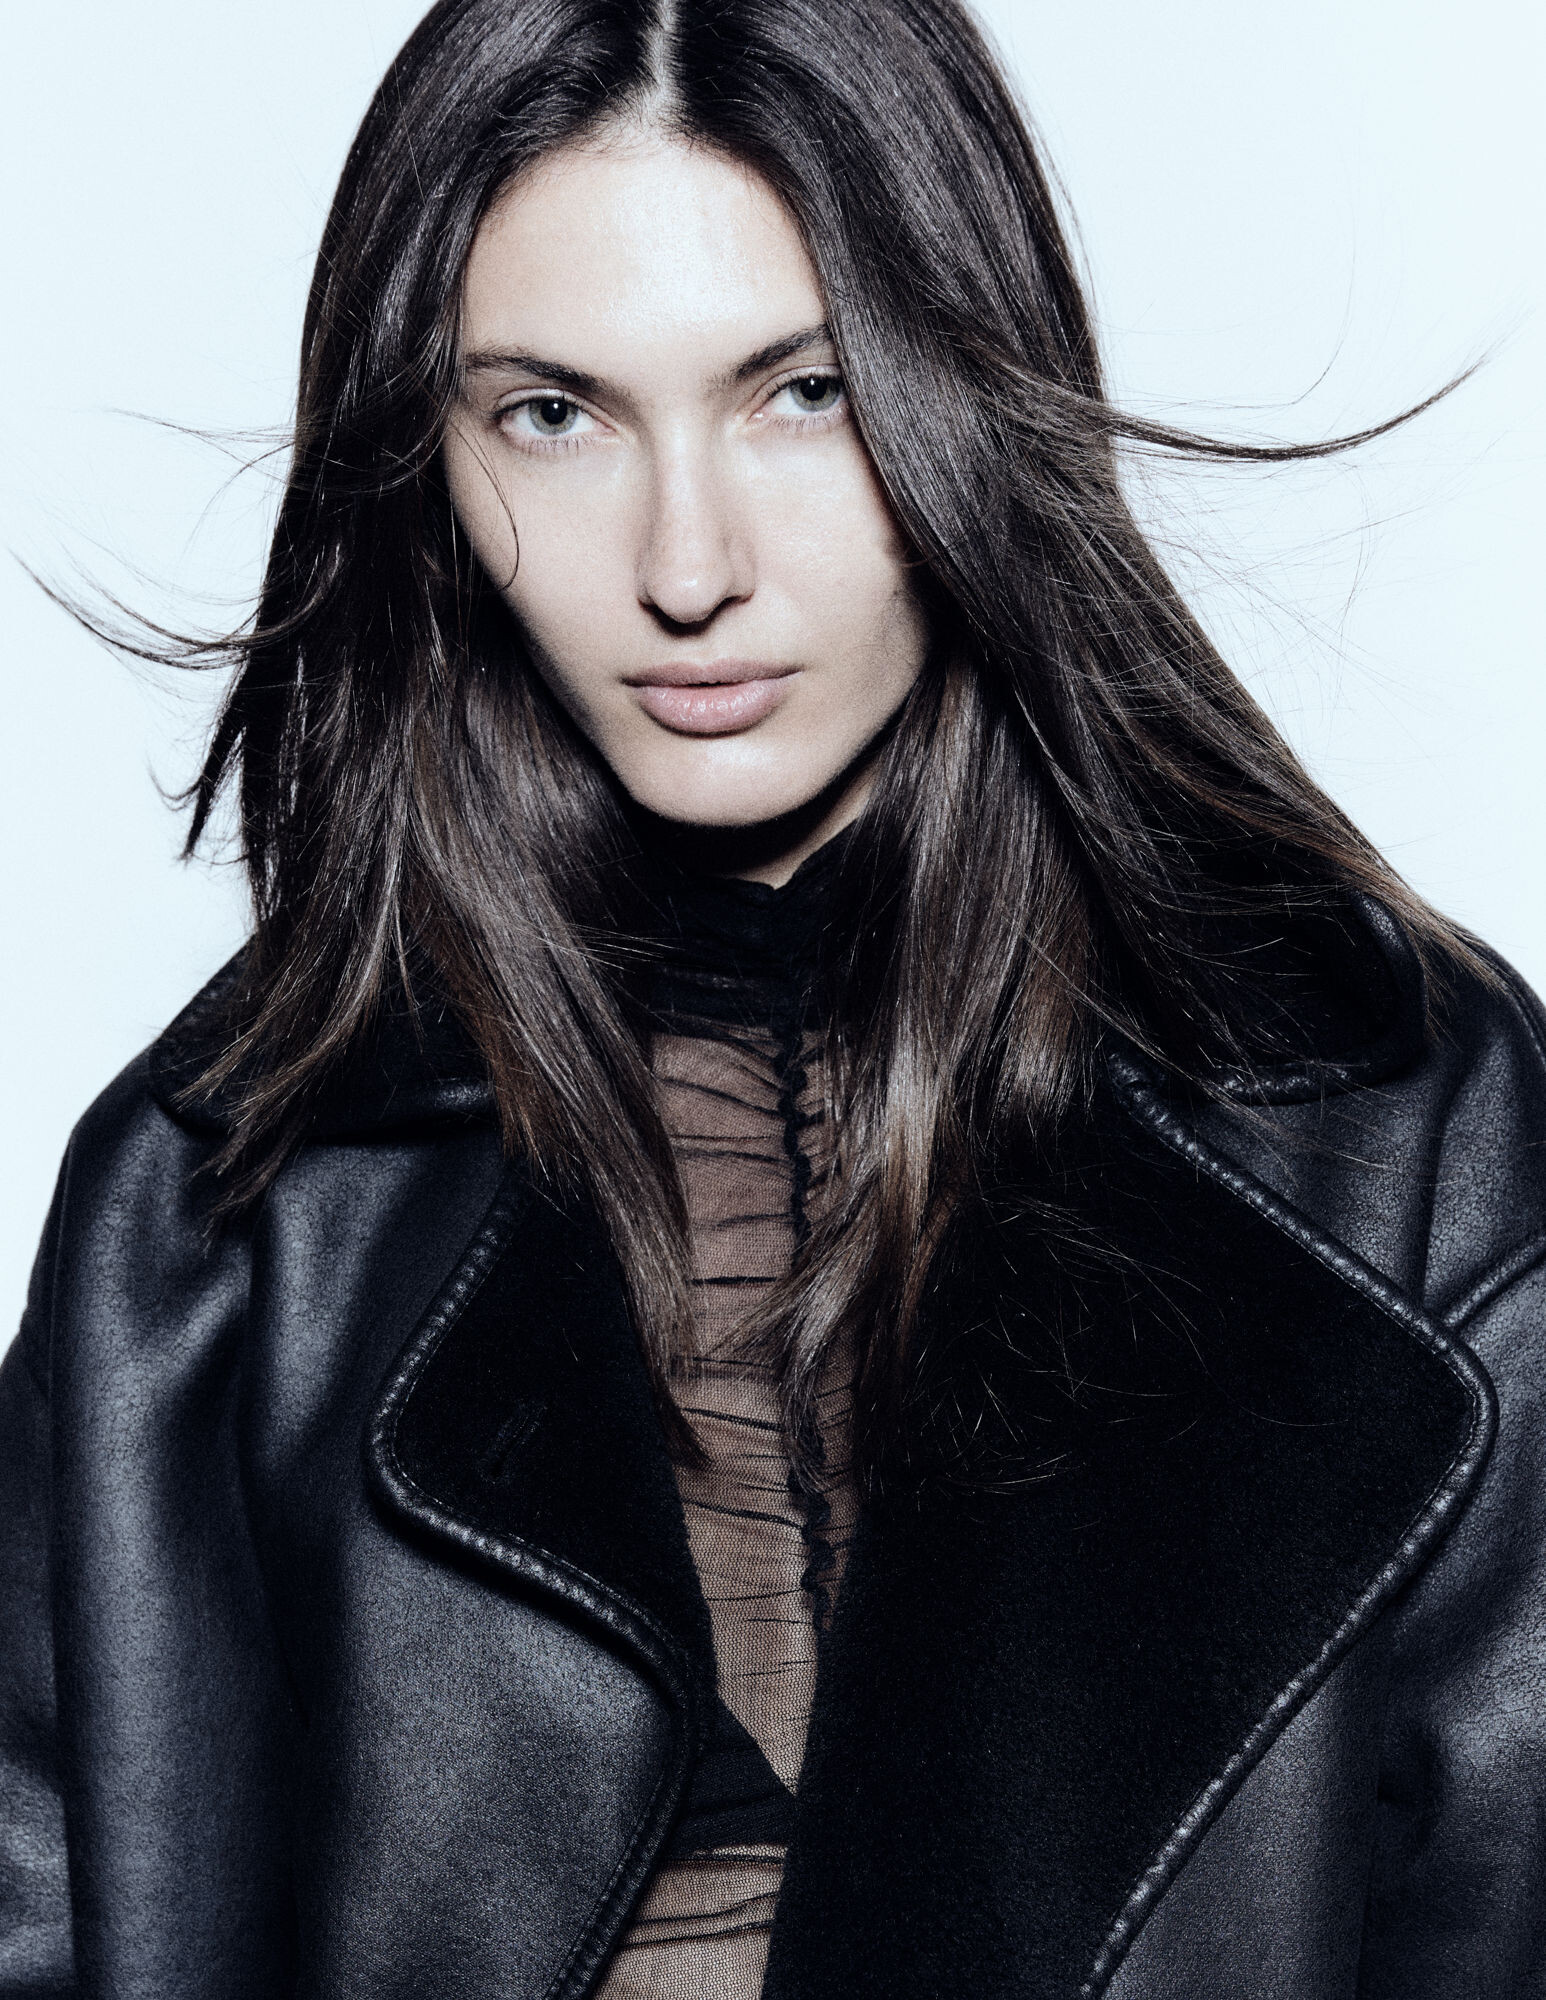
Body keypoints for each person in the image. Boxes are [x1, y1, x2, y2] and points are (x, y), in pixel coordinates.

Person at [4, 0, 1545, 1993]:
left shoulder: (1393, 1121)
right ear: (430, 463)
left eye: (799, 393)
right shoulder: (214, 1220)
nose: (686, 563)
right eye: (552, 415)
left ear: (962, 391)